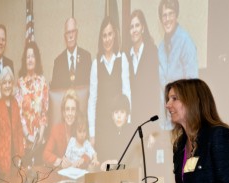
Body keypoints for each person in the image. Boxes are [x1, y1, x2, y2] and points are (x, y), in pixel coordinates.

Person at [88, 16, 131, 147]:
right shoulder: (96, 64)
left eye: (110, 34)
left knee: (120, 165)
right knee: (104, 165)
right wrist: (92, 133)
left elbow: (127, 93)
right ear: (101, 39)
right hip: (102, 127)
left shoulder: (122, 59)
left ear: (115, 36)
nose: (107, 39)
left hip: (119, 126)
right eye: (104, 35)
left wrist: (128, 123)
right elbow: (92, 100)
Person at [158, 0, 198, 130]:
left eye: (171, 14)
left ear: (176, 15)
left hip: (183, 121)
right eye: (164, 15)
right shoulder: (160, 48)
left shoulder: (186, 42)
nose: (167, 19)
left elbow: (192, 86)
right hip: (165, 122)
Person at [15, 41, 49, 165]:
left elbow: (45, 111)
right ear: (25, 60)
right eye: (28, 56)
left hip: (40, 140)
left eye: (33, 56)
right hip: (24, 142)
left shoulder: (42, 82)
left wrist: (40, 137)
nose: (30, 59)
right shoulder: (20, 83)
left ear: (37, 59)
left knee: (39, 180)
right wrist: (28, 135)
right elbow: (19, 114)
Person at [0, 66, 24, 179]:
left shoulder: (15, 103)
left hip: (15, 161)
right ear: (0, 85)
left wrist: (20, 155)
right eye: (4, 83)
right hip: (1, 164)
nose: (8, 86)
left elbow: (19, 132)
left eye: (10, 82)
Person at [128, 9, 160, 124]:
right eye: (131, 27)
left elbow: (155, 90)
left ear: (143, 28)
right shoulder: (126, 56)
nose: (134, 30)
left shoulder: (152, 51)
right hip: (132, 119)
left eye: (137, 25)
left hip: (148, 118)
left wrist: (153, 127)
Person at [51, 17, 91, 90]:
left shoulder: (86, 57)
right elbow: (54, 91)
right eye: (68, 32)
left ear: (77, 33)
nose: (71, 36)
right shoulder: (58, 62)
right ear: (64, 36)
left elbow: (91, 87)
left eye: (73, 31)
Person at [43, 89, 79, 168]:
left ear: (76, 112)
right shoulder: (56, 129)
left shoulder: (81, 129)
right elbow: (46, 154)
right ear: (63, 112)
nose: (70, 113)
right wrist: (60, 161)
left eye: (73, 109)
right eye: (67, 109)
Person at [95, 94, 133, 168]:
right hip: (111, 173)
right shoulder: (107, 134)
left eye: (122, 112)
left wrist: (114, 163)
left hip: (127, 172)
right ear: (112, 116)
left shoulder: (131, 132)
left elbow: (130, 159)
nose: (119, 116)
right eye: (116, 112)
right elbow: (103, 158)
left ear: (127, 116)